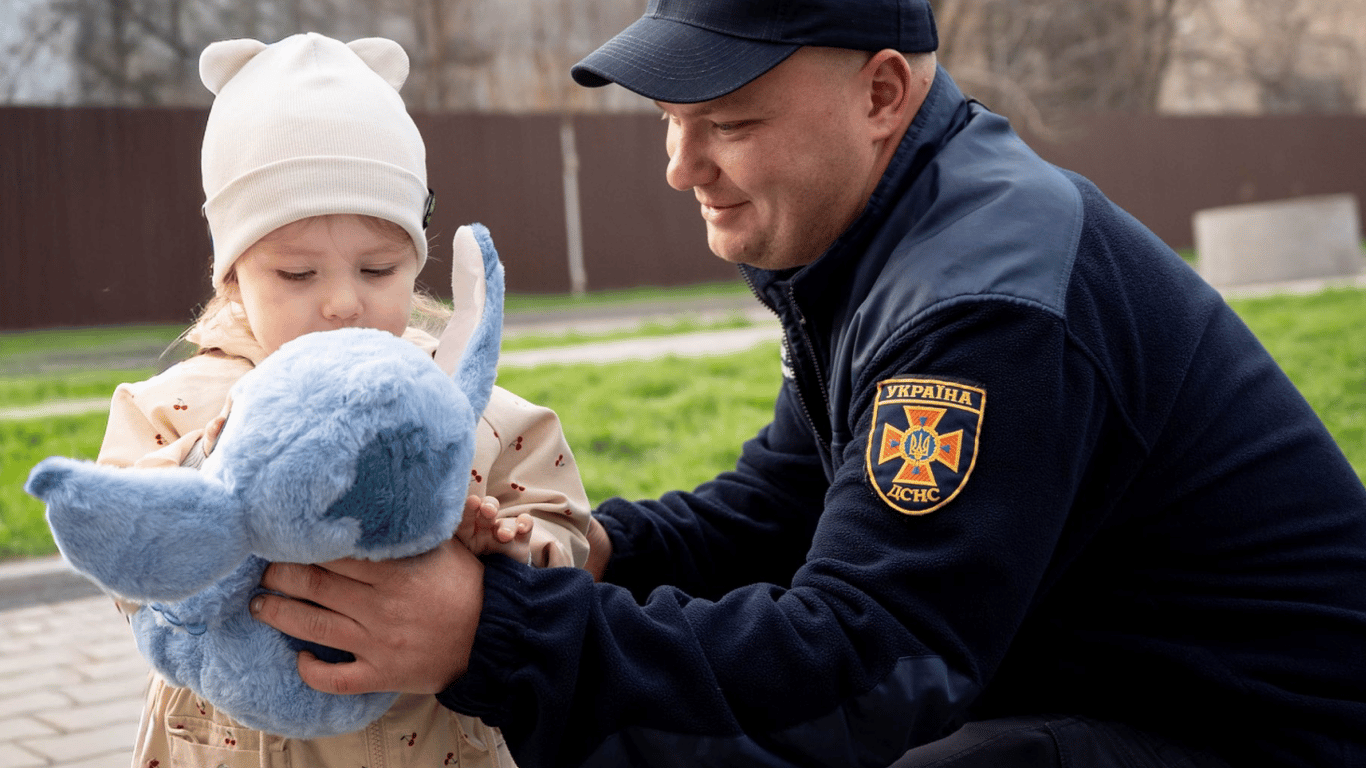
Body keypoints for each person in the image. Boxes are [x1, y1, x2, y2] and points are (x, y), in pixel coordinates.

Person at [249, 2, 1366, 767]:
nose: (681, 165)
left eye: (727, 121)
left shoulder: (977, 305)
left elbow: (861, 667)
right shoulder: (887, 239)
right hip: (1109, 682)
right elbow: (781, 510)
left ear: (882, 92)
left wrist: (493, 633)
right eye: (670, 120)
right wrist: (578, 550)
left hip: (1267, 735)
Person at [95, 32, 592, 768]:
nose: (340, 302)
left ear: (415, 265)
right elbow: (122, 551)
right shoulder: (173, 408)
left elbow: (556, 515)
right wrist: (207, 464)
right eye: (296, 273)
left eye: (377, 267)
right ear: (233, 277)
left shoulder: (461, 408)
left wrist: (525, 549)